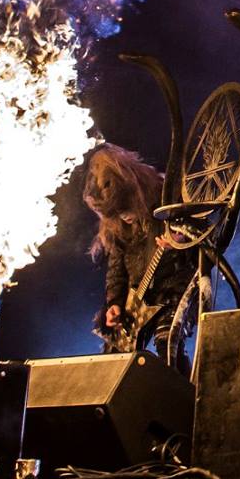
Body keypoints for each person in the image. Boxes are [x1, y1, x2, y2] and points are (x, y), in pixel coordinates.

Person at [82, 143, 193, 358]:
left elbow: (202, 231)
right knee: (114, 358)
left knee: (168, 342)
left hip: (173, 287)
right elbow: (116, 267)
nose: (123, 216)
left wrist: (182, 241)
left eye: (124, 208)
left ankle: (178, 379)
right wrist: (114, 303)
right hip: (136, 299)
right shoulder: (116, 225)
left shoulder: (167, 195)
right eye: (116, 213)